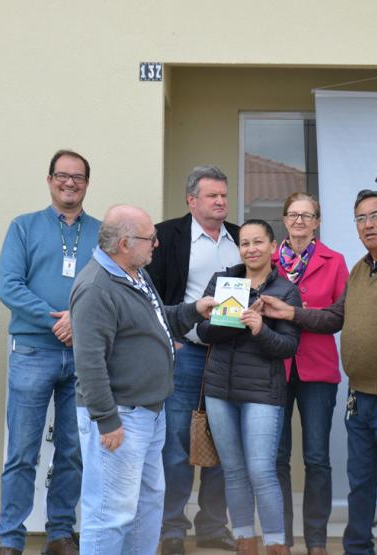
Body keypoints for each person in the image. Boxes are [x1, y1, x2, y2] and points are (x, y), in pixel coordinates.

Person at [261, 189, 377, 555]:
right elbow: (336, 316)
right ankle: (357, 549)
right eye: (361, 218)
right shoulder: (362, 268)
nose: (368, 225)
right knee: (359, 485)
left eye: (376, 216)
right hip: (361, 398)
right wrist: (291, 314)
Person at [70, 204, 216, 555]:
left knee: (146, 508)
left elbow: (157, 321)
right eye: (151, 238)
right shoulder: (96, 287)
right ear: (124, 243)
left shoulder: (133, 273)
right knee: (111, 513)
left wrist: (194, 310)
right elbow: (89, 363)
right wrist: (108, 421)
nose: (157, 244)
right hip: (120, 418)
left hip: (149, 413)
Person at [0, 150, 101, 555]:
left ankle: (60, 533)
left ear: (87, 184)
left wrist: (79, 320)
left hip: (84, 356)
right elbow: (10, 286)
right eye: (62, 175)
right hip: (33, 352)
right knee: (22, 450)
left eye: (77, 177)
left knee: (74, 451)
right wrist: (56, 320)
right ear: (49, 179)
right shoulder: (24, 227)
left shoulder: (102, 233)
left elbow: (111, 288)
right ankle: (11, 538)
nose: (69, 182)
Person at [146, 165, 239, 554]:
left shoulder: (238, 238)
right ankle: (171, 528)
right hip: (185, 354)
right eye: (211, 196)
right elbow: (148, 292)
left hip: (228, 356)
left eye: (223, 195)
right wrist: (168, 338)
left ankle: (214, 526)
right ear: (191, 200)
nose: (220, 202)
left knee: (222, 441)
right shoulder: (167, 236)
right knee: (177, 444)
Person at [197, 219, 301, 555]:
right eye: (244, 243)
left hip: (262, 394)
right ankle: (244, 539)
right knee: (234, 470)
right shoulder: (223, 282)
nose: (251, 249)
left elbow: (288, 347)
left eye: (258, 242)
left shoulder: (285, 290)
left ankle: (274, 543)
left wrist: (260, 328)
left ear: (273, 247)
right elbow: (203, 331)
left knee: (261, 470)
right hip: (219, 391)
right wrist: (236, 321)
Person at [271, 192, 348, 555]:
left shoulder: (335, 261)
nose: (299, 221)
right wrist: (309, 312)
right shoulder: (266, 259)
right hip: (273, 368)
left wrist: (293, 314)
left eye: (307, 215)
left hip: (317, 370)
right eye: (293, 214)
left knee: (317, 458)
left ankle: (316, 541)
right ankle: (281, 539)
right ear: (284, 220)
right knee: (276, 458)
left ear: (317, 221)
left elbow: (338, 317)